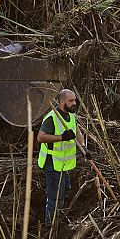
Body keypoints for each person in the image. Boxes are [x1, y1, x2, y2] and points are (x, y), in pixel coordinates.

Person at [36, 89, 91, 226]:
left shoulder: (71, 116)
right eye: (71, 101)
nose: (74, 103)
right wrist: (62, 138)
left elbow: (76, 130)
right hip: (52, 163)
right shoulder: (52, 117)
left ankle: (59, 211)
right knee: (55, 196)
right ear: (62, 102)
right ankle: (51, 223)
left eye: (75, 100)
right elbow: (40, 137)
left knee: (66, 187)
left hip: (63, 164)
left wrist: (83, 147)